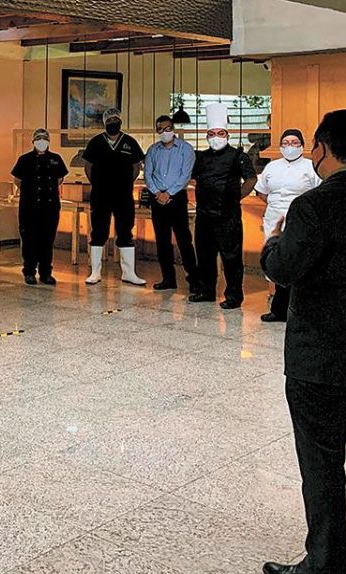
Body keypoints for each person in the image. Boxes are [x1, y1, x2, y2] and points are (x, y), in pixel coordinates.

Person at [260, 109, 346, 574]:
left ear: (322, 149)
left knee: (322, 464)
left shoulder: (314, 206)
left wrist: (273, 243)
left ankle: (326, 561)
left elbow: (285, 268)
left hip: (323, 357)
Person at [188, 103, 257, 309]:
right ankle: (206, 291)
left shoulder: (238, 156)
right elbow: (192, 178)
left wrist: (236, 197)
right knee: (205, 256)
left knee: (231, 259)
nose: (216, 137)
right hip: (204, 215)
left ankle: (234, 296)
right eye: (212, 134)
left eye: (220, 133)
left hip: (228, 216)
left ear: (227, 135)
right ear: (207, 136)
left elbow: (251, 179)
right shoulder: (201, 157)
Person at [255, 128, 320, 322]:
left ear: (302, 145)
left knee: (297, 262)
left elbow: (319, 194)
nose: (289, 146)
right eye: (285, 143)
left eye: (294, 143)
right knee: (277, 262)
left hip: (301, 221)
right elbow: (262, 192)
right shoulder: (272, 167)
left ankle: (298, 310)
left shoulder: (311, 167)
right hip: (274, 219)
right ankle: (278, 309)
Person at [82, 108, 146, 286]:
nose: (112, 122)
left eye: (115, 119)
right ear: (104, 123)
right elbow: (88, 167)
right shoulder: (95, 142)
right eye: (109, 120)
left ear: (120, 121)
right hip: (100, 195)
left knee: (125, 231)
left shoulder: (130, 142)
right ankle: (95, 272)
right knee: (98, 231)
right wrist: (98, 183)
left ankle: (129, 273)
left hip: (123, 195)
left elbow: (136, 167)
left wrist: (126, 183)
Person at [144, 114, 198, 292]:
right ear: (157, 130)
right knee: (162, 241)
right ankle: (168, 279)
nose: (164, 132)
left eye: (168, 128)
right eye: (160, 129)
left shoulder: (185, 149)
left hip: (177, 198)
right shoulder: (153, 150)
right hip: (157, 199)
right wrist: (157, 193)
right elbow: (148, 175)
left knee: (184, 240)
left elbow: (185, 176)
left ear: (173, 128)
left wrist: (169, 193)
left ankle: (194, 280)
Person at [11, 128, 68, 285]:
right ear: (33, 141)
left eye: (44, 138)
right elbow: (17, 180)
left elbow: (60, 179)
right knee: (29, 240)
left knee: (47, 240)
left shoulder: (56, 159)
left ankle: (46, 273)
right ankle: (29, 272)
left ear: (49, 141)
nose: (41, 141)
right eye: (38, 139)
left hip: (50, 207)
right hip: (29, 207)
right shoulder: (24, 160)